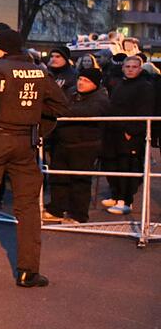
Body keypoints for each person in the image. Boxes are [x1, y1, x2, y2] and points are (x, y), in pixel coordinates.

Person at [0, 29, 68, 288]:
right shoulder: (40, 72)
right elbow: (61, 105)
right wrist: (35, 124)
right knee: (28, 207)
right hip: (26, 144)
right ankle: (28, 272)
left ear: (3, 48)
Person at [45, 68, 108, 224]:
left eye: (86, 81)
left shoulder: (101, 98)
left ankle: (78, 215)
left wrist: (59, 111)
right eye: (80, 79)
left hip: (84, 145)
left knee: (80, 182)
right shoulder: (71, 92)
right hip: (62, 142)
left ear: (95, 83)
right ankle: (56, 209)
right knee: (58, 178)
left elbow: (85, 111)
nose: (81, 83)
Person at [101, 55, 154, 216]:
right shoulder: (119, 84)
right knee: (112, 164)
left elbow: (145, 111)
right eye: (127, 66)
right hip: (113, 132)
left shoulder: (145, 86)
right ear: (123, 68)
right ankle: (116, 195)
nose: (130, 69)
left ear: (140, 68)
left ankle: (126, 201)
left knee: (127, 166)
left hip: (130, 134)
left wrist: (131, 131)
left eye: (134, 67)